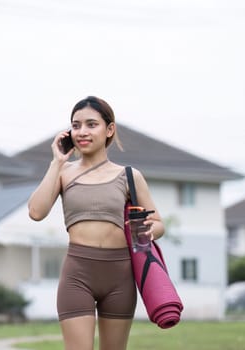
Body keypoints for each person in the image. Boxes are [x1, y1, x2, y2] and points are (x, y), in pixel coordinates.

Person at [28, 96, 165, 350]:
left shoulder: (129, 176)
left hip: (120, 277)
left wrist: (146, 231)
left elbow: (158, 223)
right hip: (78, 275)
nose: (82, 132)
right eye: (76, 125)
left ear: (109, 129)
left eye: (92, 124)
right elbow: (36, 212)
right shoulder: (63, 172)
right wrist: (57, 162)